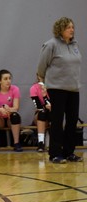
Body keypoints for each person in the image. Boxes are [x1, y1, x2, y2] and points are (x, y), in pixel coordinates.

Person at [37, 17, 82, 163]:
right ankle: (55, 153)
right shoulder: (51, 45)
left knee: (72, 121)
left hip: (73, 89)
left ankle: (69, 152)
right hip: (57, 89)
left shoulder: (75, 45)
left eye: (72, 27)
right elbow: (41, 67)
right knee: (57, 121)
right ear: (60, 29)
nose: (72, 29)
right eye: (69, 27)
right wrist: (43, 86)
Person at [30, 74, 51, 152]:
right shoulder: (34, 88)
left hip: (52, 113)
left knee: (53, 114)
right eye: (40, 75)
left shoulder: (53, 86)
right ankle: (40, 143)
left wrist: (45, 96)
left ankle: (56, 143)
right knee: (42, 113)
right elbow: (39, 107)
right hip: (41, 114)